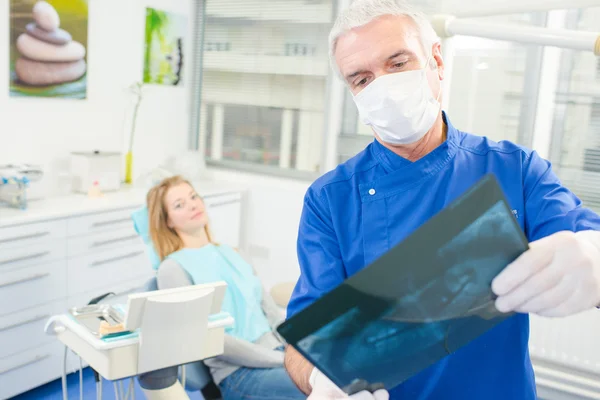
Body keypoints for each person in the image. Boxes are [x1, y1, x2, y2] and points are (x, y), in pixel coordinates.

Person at [283, 1, 600, 399]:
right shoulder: (331, 199)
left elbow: (583, 238)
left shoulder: (513, 171)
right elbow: (304, 337)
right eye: (361, 79)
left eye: (397, 64)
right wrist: (318, 381)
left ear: (436, 61)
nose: (382, 87)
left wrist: (593, 254)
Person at [137, 175, 305, 400]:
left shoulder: (233, 253)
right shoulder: (173, 268)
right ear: (167, 221)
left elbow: (270, 312)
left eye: (193, 196)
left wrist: (297, 352)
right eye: (179, 205)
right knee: (323, 389)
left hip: (277, 355)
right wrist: (280, 360)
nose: (193, 204)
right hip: (239, 374)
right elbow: (210, 341)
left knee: (341, 375)